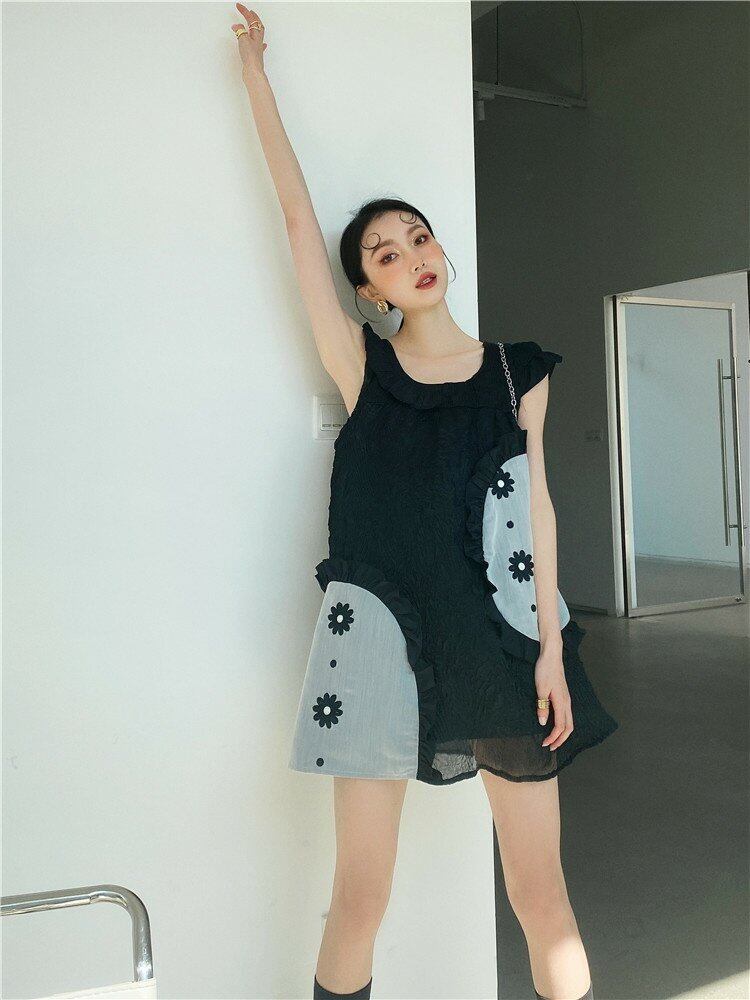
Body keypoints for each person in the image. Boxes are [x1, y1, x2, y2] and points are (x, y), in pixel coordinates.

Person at [231, 8, 619, 1000]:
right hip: (377, 636)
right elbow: (295, 224)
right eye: (384, 254)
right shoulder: (364, 369)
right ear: (370, 290)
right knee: (360, 894)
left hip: (502, 639)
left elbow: (537, 513)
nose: (412, 254)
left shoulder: (517, 373)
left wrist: (550, 649)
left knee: (541, 892)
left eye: (417, 235)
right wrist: (257, 78)